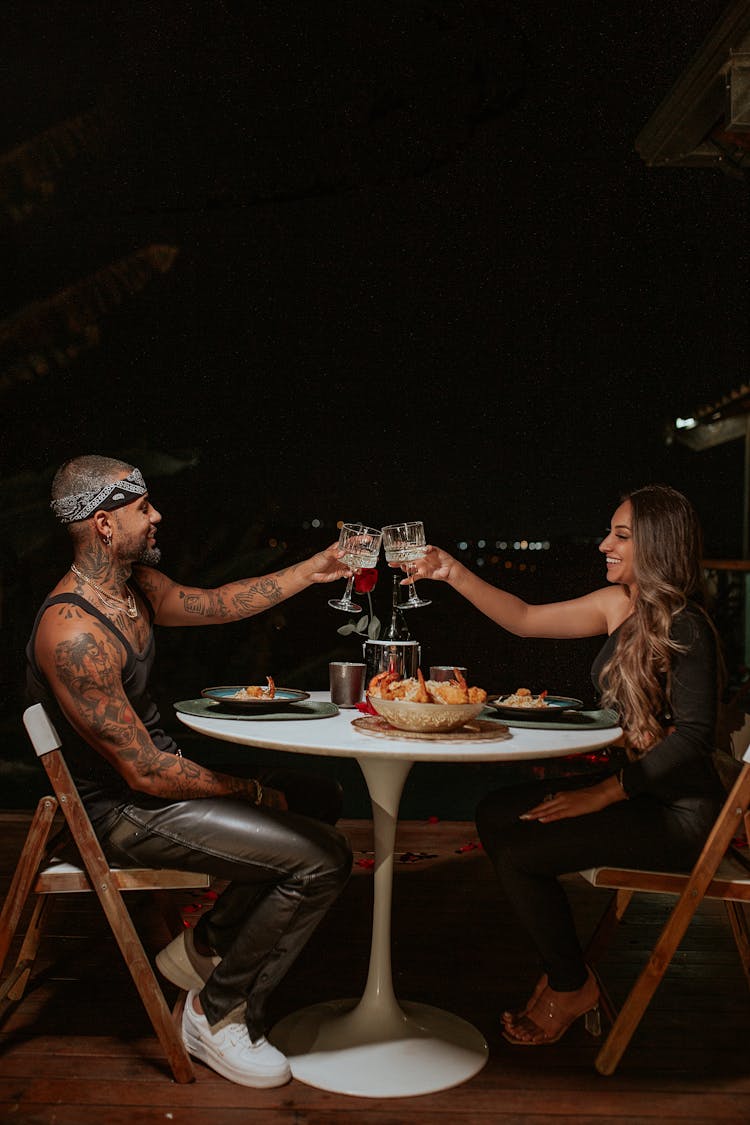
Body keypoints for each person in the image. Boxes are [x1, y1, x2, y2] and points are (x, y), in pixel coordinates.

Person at [25, 455, 354, 1087]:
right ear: (101, 524)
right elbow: (145, 773)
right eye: (142, 507)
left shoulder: (134, 589)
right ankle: (216, 1011)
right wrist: (255, 791)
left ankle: (203, 948)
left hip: (155, 780)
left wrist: (313, 571)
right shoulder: (72, 633)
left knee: (318, 796)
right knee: (325, 858)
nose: (157, 516)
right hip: (120, 810)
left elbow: (216, 602)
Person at [402, 483, 727, 1046]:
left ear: (657, 544)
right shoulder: (619, 606)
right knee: (497, 811)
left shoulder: (686, 625)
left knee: (523, 854)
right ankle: (567, 970)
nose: (604, 544)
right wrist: (451, 571)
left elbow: (695, 737)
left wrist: (605, 792)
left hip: (682, 813)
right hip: (641, 792)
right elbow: (524, 618)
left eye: (621, 536)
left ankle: (570, 983)